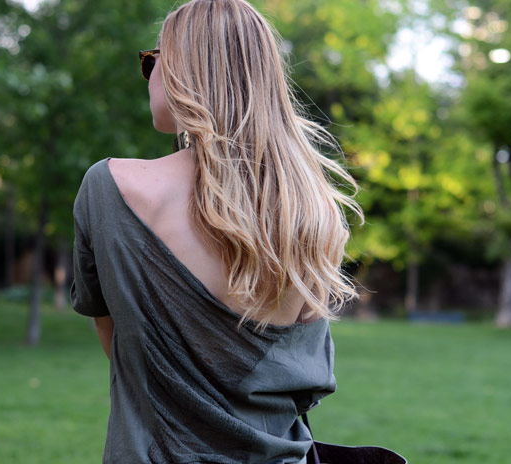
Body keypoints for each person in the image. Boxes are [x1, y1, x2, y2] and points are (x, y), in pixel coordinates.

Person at [71, 0, 364, 462]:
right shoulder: (312, 211)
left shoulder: (111, 189)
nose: (149, 75)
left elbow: (120, 341)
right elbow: (300, 377)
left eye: (152, 60)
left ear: (184, 69)